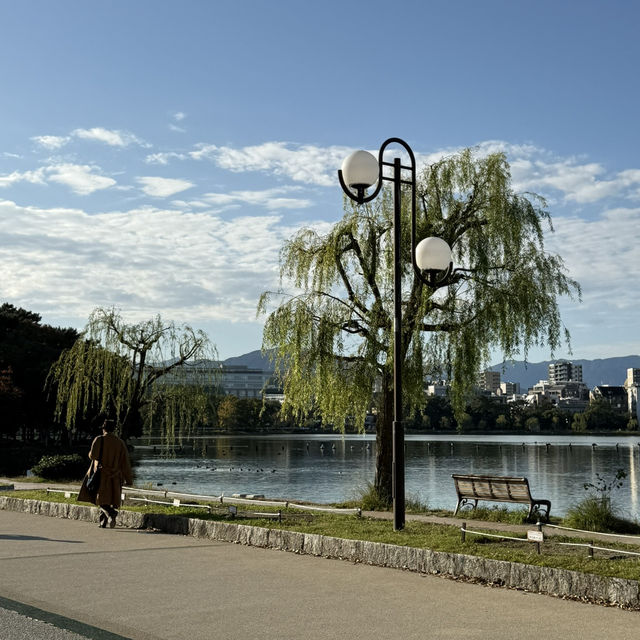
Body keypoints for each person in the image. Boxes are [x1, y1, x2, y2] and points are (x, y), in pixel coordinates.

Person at [78, 419, 133, 528]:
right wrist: (129, 479)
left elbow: (93, 456)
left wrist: (90, 453)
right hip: (115, 476)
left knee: (101, 499)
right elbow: (125, 462)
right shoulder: (120, 442)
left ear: (103, 429)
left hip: (102, 474)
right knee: (109, 498)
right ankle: (103, 522)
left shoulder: (99, 440)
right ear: (114, 429)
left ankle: (112, 513)